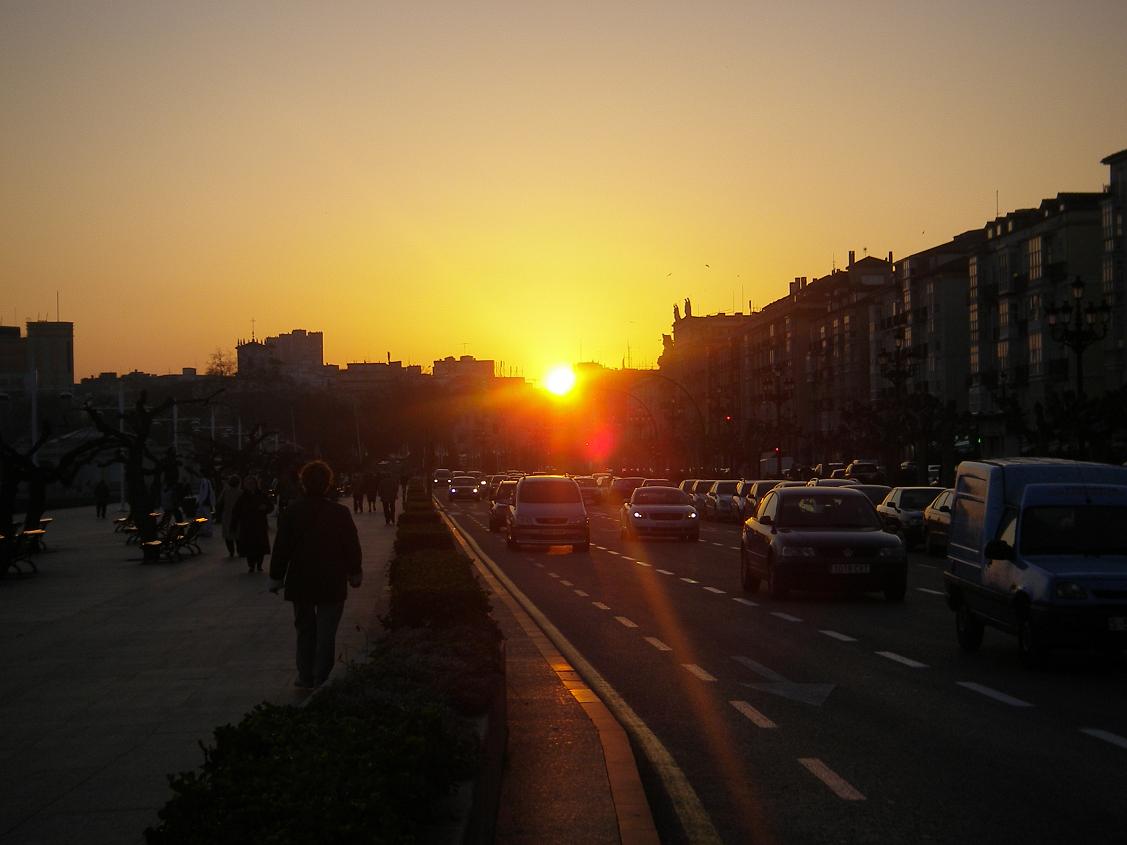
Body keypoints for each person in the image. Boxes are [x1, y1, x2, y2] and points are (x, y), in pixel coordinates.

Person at [269, 460, 362, 689]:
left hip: (301, 579)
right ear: (329, 484)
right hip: (332, 579)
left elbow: (282, 547)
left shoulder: (291, 512)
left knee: (305, 631)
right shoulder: (340, 512)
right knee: (326, 633)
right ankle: (322, 676)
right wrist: (354, 571)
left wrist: (276, 576)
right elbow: (351, 545)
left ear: (303, 483)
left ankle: (305, 675)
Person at [231, 475, 273, 573]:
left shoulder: (261, 495)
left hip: (259, 524)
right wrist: (233, 524)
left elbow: (270, 507)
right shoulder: (242, 497)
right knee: (249, 546)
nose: (250, 485)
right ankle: (251, 565)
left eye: (252, 483)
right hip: (247, 525)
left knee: (260, 545)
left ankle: (259, 564)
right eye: (248, 484)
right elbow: (236, 511)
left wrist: (265, 508)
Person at [215, 474, 243, 557]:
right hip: (238, 517)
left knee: (228, 535)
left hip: (227, 516)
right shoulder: (241, 492)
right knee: (238, 535)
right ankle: (239, 551)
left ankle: (231, 551)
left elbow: (219, 503)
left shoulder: (225, 492)